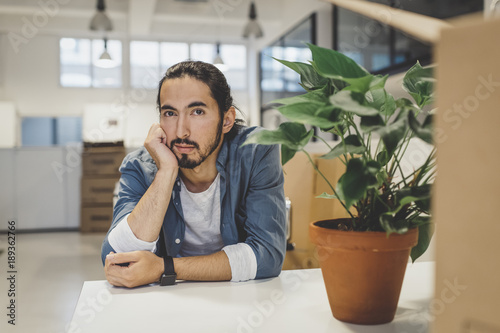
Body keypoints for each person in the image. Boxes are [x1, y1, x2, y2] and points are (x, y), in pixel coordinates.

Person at [101, 61, 286, 288]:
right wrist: (167, 171)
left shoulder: (257, 150)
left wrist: (164, 267)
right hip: (166, 303)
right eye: (170, 113)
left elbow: (268, 256)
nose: (181, 131)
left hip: (237, 295)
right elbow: (116, 258)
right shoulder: (140, 165)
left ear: (227, 120)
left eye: (197, 112)